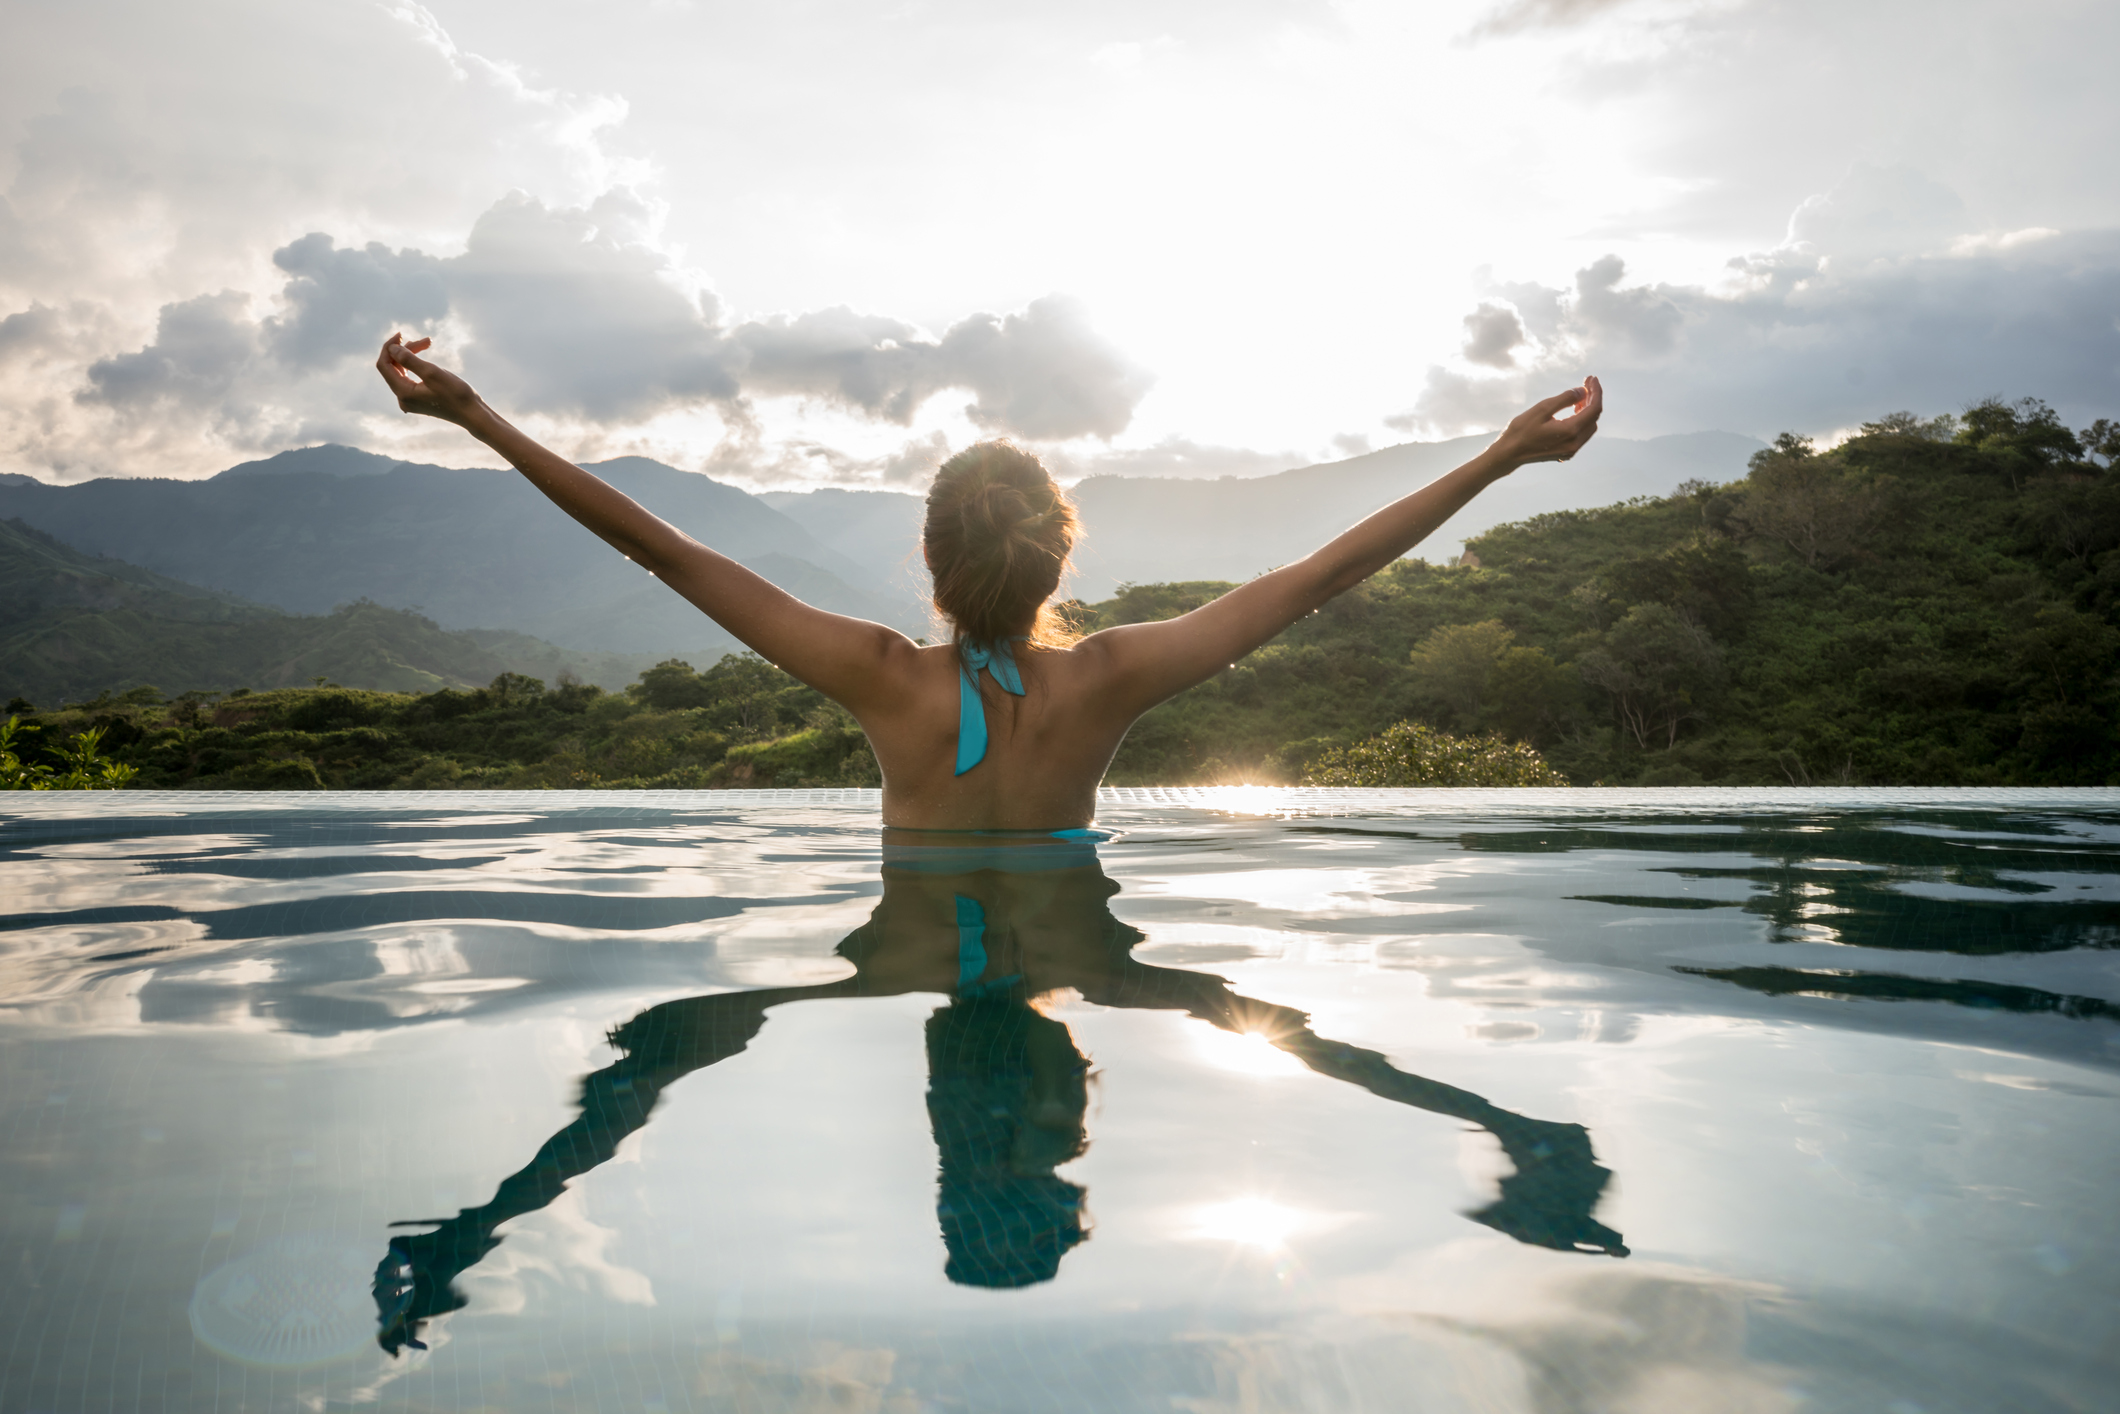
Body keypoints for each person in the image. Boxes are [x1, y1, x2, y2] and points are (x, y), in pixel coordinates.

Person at [373, 846, 1627, 1356]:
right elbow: (1341, 1061)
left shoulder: (794, 1003)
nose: (1085, 1114)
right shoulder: (1129, 984)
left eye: (1056, 1151)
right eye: (1068, 1150)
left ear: (966, 1121)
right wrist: (1507, 1123)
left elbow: (617, 1109)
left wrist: (487, 1221)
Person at [375, 336, 1600, 827]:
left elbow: (664, 549)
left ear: (926, 554)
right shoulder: (1110, 679)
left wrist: (480, 416)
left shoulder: (872, 676)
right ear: (1061, 554)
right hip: (1087, 946)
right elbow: (1320, 575)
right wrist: (1495, 457)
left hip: (904, 960)